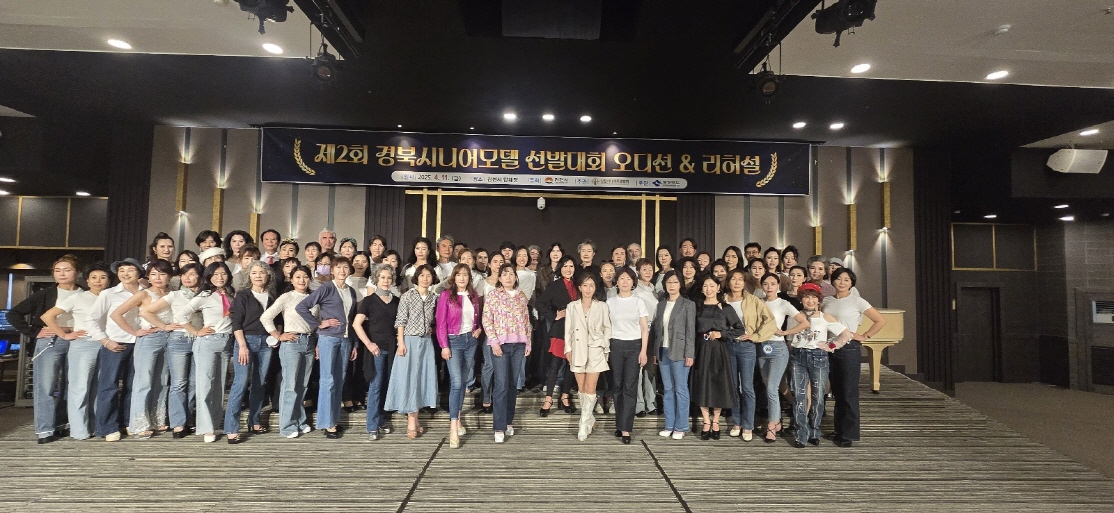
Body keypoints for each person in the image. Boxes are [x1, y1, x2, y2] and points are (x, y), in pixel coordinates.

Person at [19, 256, 89, 443]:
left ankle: (63, 424)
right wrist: (34, 332)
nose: (62, 274)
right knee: (46, 386)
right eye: (57, 271)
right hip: (51, 341)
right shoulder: (45, 294)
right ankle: (45, 430)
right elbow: (14, 313)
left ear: (77, 272)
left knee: (72, 385)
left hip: (78, 341)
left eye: (67, 270)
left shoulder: (85, 293)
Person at [40, 262, 111, 441]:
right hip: (83, 344)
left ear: (109, 281)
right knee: (79, 388)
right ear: (87, 280)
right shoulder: (78, 297)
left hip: (106, 344)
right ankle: (79, 430)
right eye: (93, 277)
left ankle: (94, 426)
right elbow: (47, 316)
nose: (98, 281)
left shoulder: (111, 297)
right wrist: (64, 335)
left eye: (103, 277)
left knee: (98, 388)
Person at [110, 260, 175, 439]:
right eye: (153, 274)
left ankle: (157, 419)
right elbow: (116, 314)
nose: (158, 278)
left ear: (169, 276)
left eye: (162, 274)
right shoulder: (144, 294)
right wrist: (134, 332)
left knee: (162, 380)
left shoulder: (173, 293)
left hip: (169, 338)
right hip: (149, 338)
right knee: (143, 381)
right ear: (148, 276)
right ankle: (139, 424)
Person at [822, 268, 886, 448]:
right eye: (838, 279)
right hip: (830, 347)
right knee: (837, 391)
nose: (842, 282)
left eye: (846, 280)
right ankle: (839, 429)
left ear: (851, 283)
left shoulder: (857, 301)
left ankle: (849, 434)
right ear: (833, 281)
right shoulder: (826, 301)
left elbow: (880, 320)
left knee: (848, 392)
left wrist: (865, 336)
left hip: (848, 348)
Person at [139, 262, 204, 438]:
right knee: (178, 383)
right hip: (179, 340)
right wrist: (164, 326)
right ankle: (178, 424)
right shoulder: (174, 295)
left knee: (194, 383)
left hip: (200, 339)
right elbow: (145, 312)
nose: (187, 278)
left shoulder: (206, 295)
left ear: (200, 277)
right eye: (184, 274)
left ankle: (189, 419)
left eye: (192, 274)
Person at [296, 256, 358, 439]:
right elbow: (302, 307)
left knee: (339, 380)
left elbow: (352, 319)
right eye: (338, 267)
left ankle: (334, 419)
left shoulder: (351, 291)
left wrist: (354, 343)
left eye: (345, 267)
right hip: (329, 338)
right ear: (332, 270)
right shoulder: (327, 288)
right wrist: (318, 324)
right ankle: (326, 423)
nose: (342, 270)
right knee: (327, 380)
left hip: (345, 339)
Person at [86, 258, 145, 442]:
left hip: (140, 344)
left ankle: (128, 422)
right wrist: (105, 341)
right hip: (115, 344)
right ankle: (107, 427)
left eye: (130, 270)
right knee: (109, 385)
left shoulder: (146, 292)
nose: (125, 274)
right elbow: (91, 320)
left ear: (139, 273)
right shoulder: (109, 294)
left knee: (133, 386)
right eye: (121, 270)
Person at [790, 282, 850, 448]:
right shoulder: (794, 317)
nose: (810, 301)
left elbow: (845, 334)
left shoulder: (825, 317)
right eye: (806, 297)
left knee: (818, 395)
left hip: (818, 357)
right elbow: (789, 338)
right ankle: (801, 433)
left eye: (813, 297)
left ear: (818, 300)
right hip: (798, 356)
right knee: (800, 396)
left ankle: (814, 430)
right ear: (801, 299)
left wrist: (831, 346)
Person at [223, 260, 277, 444]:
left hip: (266, 343)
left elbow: (276, 321)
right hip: (246, 341)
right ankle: (231, 429)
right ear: (249, 276)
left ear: (268, 275)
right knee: (240, 383)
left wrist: (275, 337)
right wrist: (242, 345)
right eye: (254, 273)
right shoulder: (243, 295)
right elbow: (236, 322)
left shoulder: (272, 296)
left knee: (260, 383)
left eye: (262, 272)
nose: (258, 276)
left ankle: (254, 421)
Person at [385, 264, 439, 439]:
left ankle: (416, 419)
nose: (425, 278)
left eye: (429, 275)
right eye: (422, 275)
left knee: (421, 379)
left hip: (426, 342)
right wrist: (401, 342)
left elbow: (436, 319)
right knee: (409, 379)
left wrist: (431, 328)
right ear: (417, 277)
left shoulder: (434, 298)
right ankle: (411, 421)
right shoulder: (407, 296)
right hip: (409, 340)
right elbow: (400, 320)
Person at [183, 262, 235, 443]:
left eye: (223, 274)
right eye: (215, 274)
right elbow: (182, 314)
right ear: (209, 276)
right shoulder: (204, 296)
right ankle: (206, 428)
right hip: (208, 342)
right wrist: (196, 331)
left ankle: (214, 423)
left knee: (219, 386)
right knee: (205, 385)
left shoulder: (231, 295)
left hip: (226, 342)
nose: (220, 277)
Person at [721, 269, 776, 441]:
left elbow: (770, 321)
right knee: (732, 386)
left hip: (747, 347)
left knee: (747, 387)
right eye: (733, 279)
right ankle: (736, 422)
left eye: (740, 279)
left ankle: (748, 425)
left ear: (745, 283)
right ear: (728, 282)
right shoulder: (722, 300)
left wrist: (756, 336)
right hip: (727, 346)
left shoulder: (753, 300)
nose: (737, 282)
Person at [261, 264, 315, 438]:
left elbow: (317, 322)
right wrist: (278, 335)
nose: (302, 280)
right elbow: (266, 317)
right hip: (292, 343)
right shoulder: (287, 297)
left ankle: (299, 420)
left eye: (305, 277)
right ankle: (286, 426)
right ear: (291, 280)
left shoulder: (314, 298)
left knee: (302, 385)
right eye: (297, 277)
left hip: (309, 342)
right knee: (290, 386)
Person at [481, 263, 532, 443]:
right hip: (500, 346)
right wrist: (494, 342)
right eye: (505, 274)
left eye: (511, 274)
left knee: (512, 384)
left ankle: (508, 421)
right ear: (500, 278)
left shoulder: (521, 296)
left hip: (519, 345)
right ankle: (499, 426)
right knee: (501, 384)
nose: (508, 277)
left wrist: (528, 342)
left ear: (516, 277)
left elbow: (526, 320)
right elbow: (487, 320)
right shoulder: (493, 296)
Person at [691, 275, 745, 441]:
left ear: (718, 288)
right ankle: (706, 421)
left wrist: (721, 334)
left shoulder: (725, 307)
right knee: (702, 383)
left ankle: (716, 420)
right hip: (701, 348)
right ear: (701, 289)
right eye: (705, 286)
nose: (709, 289)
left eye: (712, 285)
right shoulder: (697, 307)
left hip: (719, 349)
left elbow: (739, 329)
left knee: (718, 384)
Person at [759, 272, 810, 443]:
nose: (769, 287)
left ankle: (772, 424)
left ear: (778, 286)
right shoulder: (758, 302)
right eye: (766, 284)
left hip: (778, 348)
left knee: (771, 388)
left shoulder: (783, 303)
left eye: (773, 284)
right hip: (761, 347)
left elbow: (804, 322)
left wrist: (785, 332)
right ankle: (778, 420)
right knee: (770, 386)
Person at [352, 264, 400, 441]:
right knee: (376, 385)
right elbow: (356, 324)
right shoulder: (369, 300)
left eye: (389, 278)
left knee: (387, 385)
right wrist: (369, 344)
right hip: (376, 349)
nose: (386, 281)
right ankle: (372, 425)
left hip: (393, 348)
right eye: (382, 277)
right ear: (376, 279)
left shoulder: (396, 301)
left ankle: (382, 420)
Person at [436, 264, 482, 448]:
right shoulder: (446, 295)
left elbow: (476, 319)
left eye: (465, 275)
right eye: (459, 274)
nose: (462, 278)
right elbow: (441, 323)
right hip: (453, 341)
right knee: (456, 382)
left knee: (463, 382)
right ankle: (453, 426)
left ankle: (459, 417)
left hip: (470, 341)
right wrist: (444, 346)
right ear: (453, 277)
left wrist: (478, 328)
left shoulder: (473, 295)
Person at [564, 273, 611, 441]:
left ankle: (582, 424)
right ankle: (589, 419)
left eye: (591, 285)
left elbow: (607, 328)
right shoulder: (572, 306)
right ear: (580, 287)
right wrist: (568, 348)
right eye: (585, 285)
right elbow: (568, 329)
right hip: (577, 348)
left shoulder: (602, 306)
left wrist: (605, 346)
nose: (588, 289)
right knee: (582, 388)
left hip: (596, 349)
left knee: (591, 388)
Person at [650, 270, 695, 440]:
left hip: (680, 351)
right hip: (663, 350)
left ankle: (681, 426)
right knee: (668, 389)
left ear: (680, 284)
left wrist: (690, 353)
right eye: (669, 282)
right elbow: (657, 331)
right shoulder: (661, 304)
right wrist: (656, 352)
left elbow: (690, 331)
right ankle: (669, 425)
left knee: (680, 389)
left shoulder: (688, 304)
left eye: (675, 282)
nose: (672, 285)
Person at [605, 268, 649, 444]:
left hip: (634, 346)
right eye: (622, 278)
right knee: (617, 386)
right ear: (617, 281)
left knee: (630, 387)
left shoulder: (639, 301)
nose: (625, 282)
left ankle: (626, 429)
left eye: (628, 279)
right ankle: (620, 423)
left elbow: (644, 328)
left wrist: (643, 351)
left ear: (633, 282)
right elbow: (606, 326)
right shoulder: (609, 302)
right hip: (615, 345)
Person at [536, 255, 579, 415]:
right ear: (560, 268)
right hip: (560, 328)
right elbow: (539, 303)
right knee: (555, 364)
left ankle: (565, 396)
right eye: (565, 266)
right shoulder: (554, 285)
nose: (568, 269)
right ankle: (548, 399)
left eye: (571, 266)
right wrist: (554, 315)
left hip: (577, 329)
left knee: (571, 364)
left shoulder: (579, 285)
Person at [476, 253, 504, 414]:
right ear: (490, 264)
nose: (498, 264)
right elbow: (479, 307)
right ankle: (486, 398)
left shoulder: (507, 283)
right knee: (489, 364)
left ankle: (498, 397)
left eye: (501, 261)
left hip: (505, 330)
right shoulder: (483, 283)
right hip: (488, 328)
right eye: (495, 261)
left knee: (501, 364)